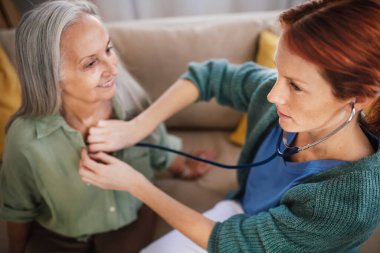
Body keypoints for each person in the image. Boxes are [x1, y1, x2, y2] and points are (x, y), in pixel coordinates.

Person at [79, 0, 380, 252]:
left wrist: (135, 184)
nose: (273, 95)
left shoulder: (353, 202)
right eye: (278, 72)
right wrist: (136, 128)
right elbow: (209, 77)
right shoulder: (277, 100)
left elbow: (228, 243)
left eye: (296, 86)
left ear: (358, 97)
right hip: (240, 215)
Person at [0, 1, 215, 253]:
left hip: (133, 226)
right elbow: (17, 207)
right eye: (91, 63)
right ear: (50, 76)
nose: (113, 67)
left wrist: (184, 168)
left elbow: (158, 148)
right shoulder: (25, 139)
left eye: (108, 49)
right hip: (60, 238)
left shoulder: (133, 102)